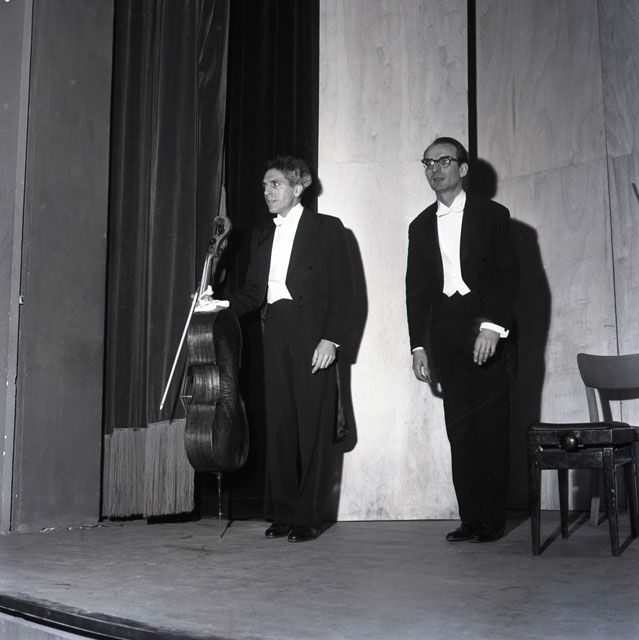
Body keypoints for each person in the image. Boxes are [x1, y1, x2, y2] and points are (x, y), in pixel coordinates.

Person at [226, 154, 352, 543]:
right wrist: (217, 304)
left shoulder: (328, 229)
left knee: (313, 428)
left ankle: (307, 517)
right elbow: (252, 294)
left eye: (275, 184)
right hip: (276, 330)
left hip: (313, 334)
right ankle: (282, 513)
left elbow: (344, 291)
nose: (267, 192)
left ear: (298, 187)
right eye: (264, 186)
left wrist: (330, 339)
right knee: (280, 424)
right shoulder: (263, 235)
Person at [405, 137, 519, 543]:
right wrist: (418, 346)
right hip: (446, 335)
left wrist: (493, 327)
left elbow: (508, 277)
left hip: (486, 330)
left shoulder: (493, 215)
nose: (435, 169)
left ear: (463, 168)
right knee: (461, 430)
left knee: (490, 427)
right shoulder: (420, 225)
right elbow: (415, 291)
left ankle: (491, 520)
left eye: (444, 161)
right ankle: (470, 518)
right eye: (428, 163)